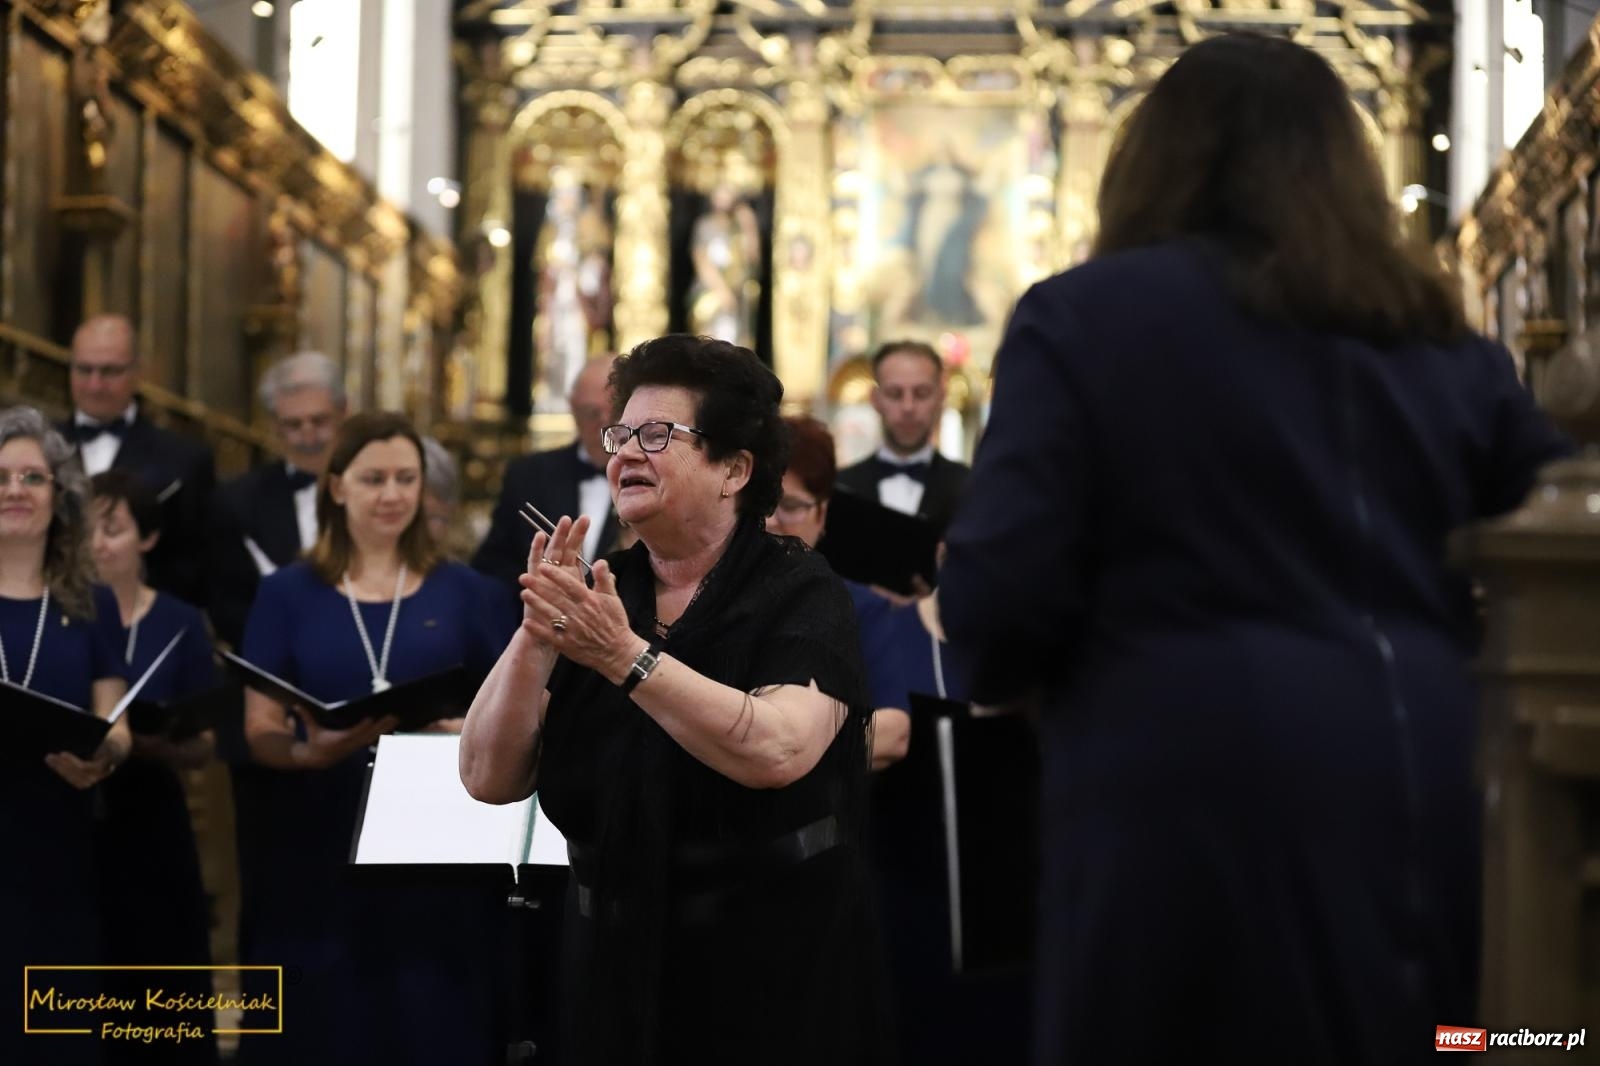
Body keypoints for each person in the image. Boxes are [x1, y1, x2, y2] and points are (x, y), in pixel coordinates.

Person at [936, 33, 1574, 1065]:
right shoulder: (1440, 342)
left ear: (1151, 164)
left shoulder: (1085, 320)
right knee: (1456, 1038)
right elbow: (1559, 524)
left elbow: (999, 603)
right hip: (1429, 773)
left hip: (1179, 786)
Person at [460, 335, 889, 1066]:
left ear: (734, 468)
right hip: (609, 962)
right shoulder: (602, 590)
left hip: (769, 966)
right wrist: (537, 633)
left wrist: (624, 655)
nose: (625, 452)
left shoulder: (798, 588)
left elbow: (777, 748)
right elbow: (488, 777)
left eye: (657, 434)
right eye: (619, 433)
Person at [234, 412, 514, 1064]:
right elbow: (260, 728)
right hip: (318, 836)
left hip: (436, 846)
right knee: (324, 1021)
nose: (392, 494)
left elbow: (515, 716)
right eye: (373, 479)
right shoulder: (287, 594)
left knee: (430, 1019)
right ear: (336, 487)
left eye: (406, 479)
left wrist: (463, 731)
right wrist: (307, 751)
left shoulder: (470, 593)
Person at [769, 415, 1030, 1064]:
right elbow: (878, 736)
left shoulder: (1047, 653)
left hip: (1016, 910)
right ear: (942, 548)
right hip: (897, 896)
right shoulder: (878, 621)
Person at [0, 406, 130, 1066]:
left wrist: (103, 755)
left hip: (59, 842)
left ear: (61, 494)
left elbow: (117, 723)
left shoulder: (90, 600)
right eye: (1, 476)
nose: (15, 490)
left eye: (32, 476)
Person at [89, 468, 219, 1066]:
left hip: (154, 815)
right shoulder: (63, 616)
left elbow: (205, 742)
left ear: (147, 538)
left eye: (111, 528)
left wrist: (160, 742)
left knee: (161, 976)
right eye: (85, 528)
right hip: (79, 819)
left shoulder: (181, 621)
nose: (96, 542)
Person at [61, 314, 215, 605]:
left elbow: (198, 567)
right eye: (84, 370)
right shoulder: (36, 451)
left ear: (138, 372)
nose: (94, 385)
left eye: (109, 371)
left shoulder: (186, 460)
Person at [208, 351, 347, 648]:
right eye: (293, 425)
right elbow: (228, 605)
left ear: (343, 412)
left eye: (319, 421)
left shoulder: (377, 492)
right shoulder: (238, 501)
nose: (308, 435)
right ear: (274, 426)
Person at [473, 356, 620, 589]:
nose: (605, 425)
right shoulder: (527, 476)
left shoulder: (648, 476)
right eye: (592, 413)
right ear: (573, 409)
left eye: (615, 414)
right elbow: (493, 566)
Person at [836, 340, 969, 533]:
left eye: (922, 393)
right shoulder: (840, 487)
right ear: (875, 399)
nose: (908, 407)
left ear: (941, 397)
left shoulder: (969, 487)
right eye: (895, 394)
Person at [688, 182, 761, 348]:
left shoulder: (738, 228)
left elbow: (752, 258)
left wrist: (748, 226)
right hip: (711, 293)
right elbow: (701, 259)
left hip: (737, 295)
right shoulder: (705, 225)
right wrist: (721, 290)